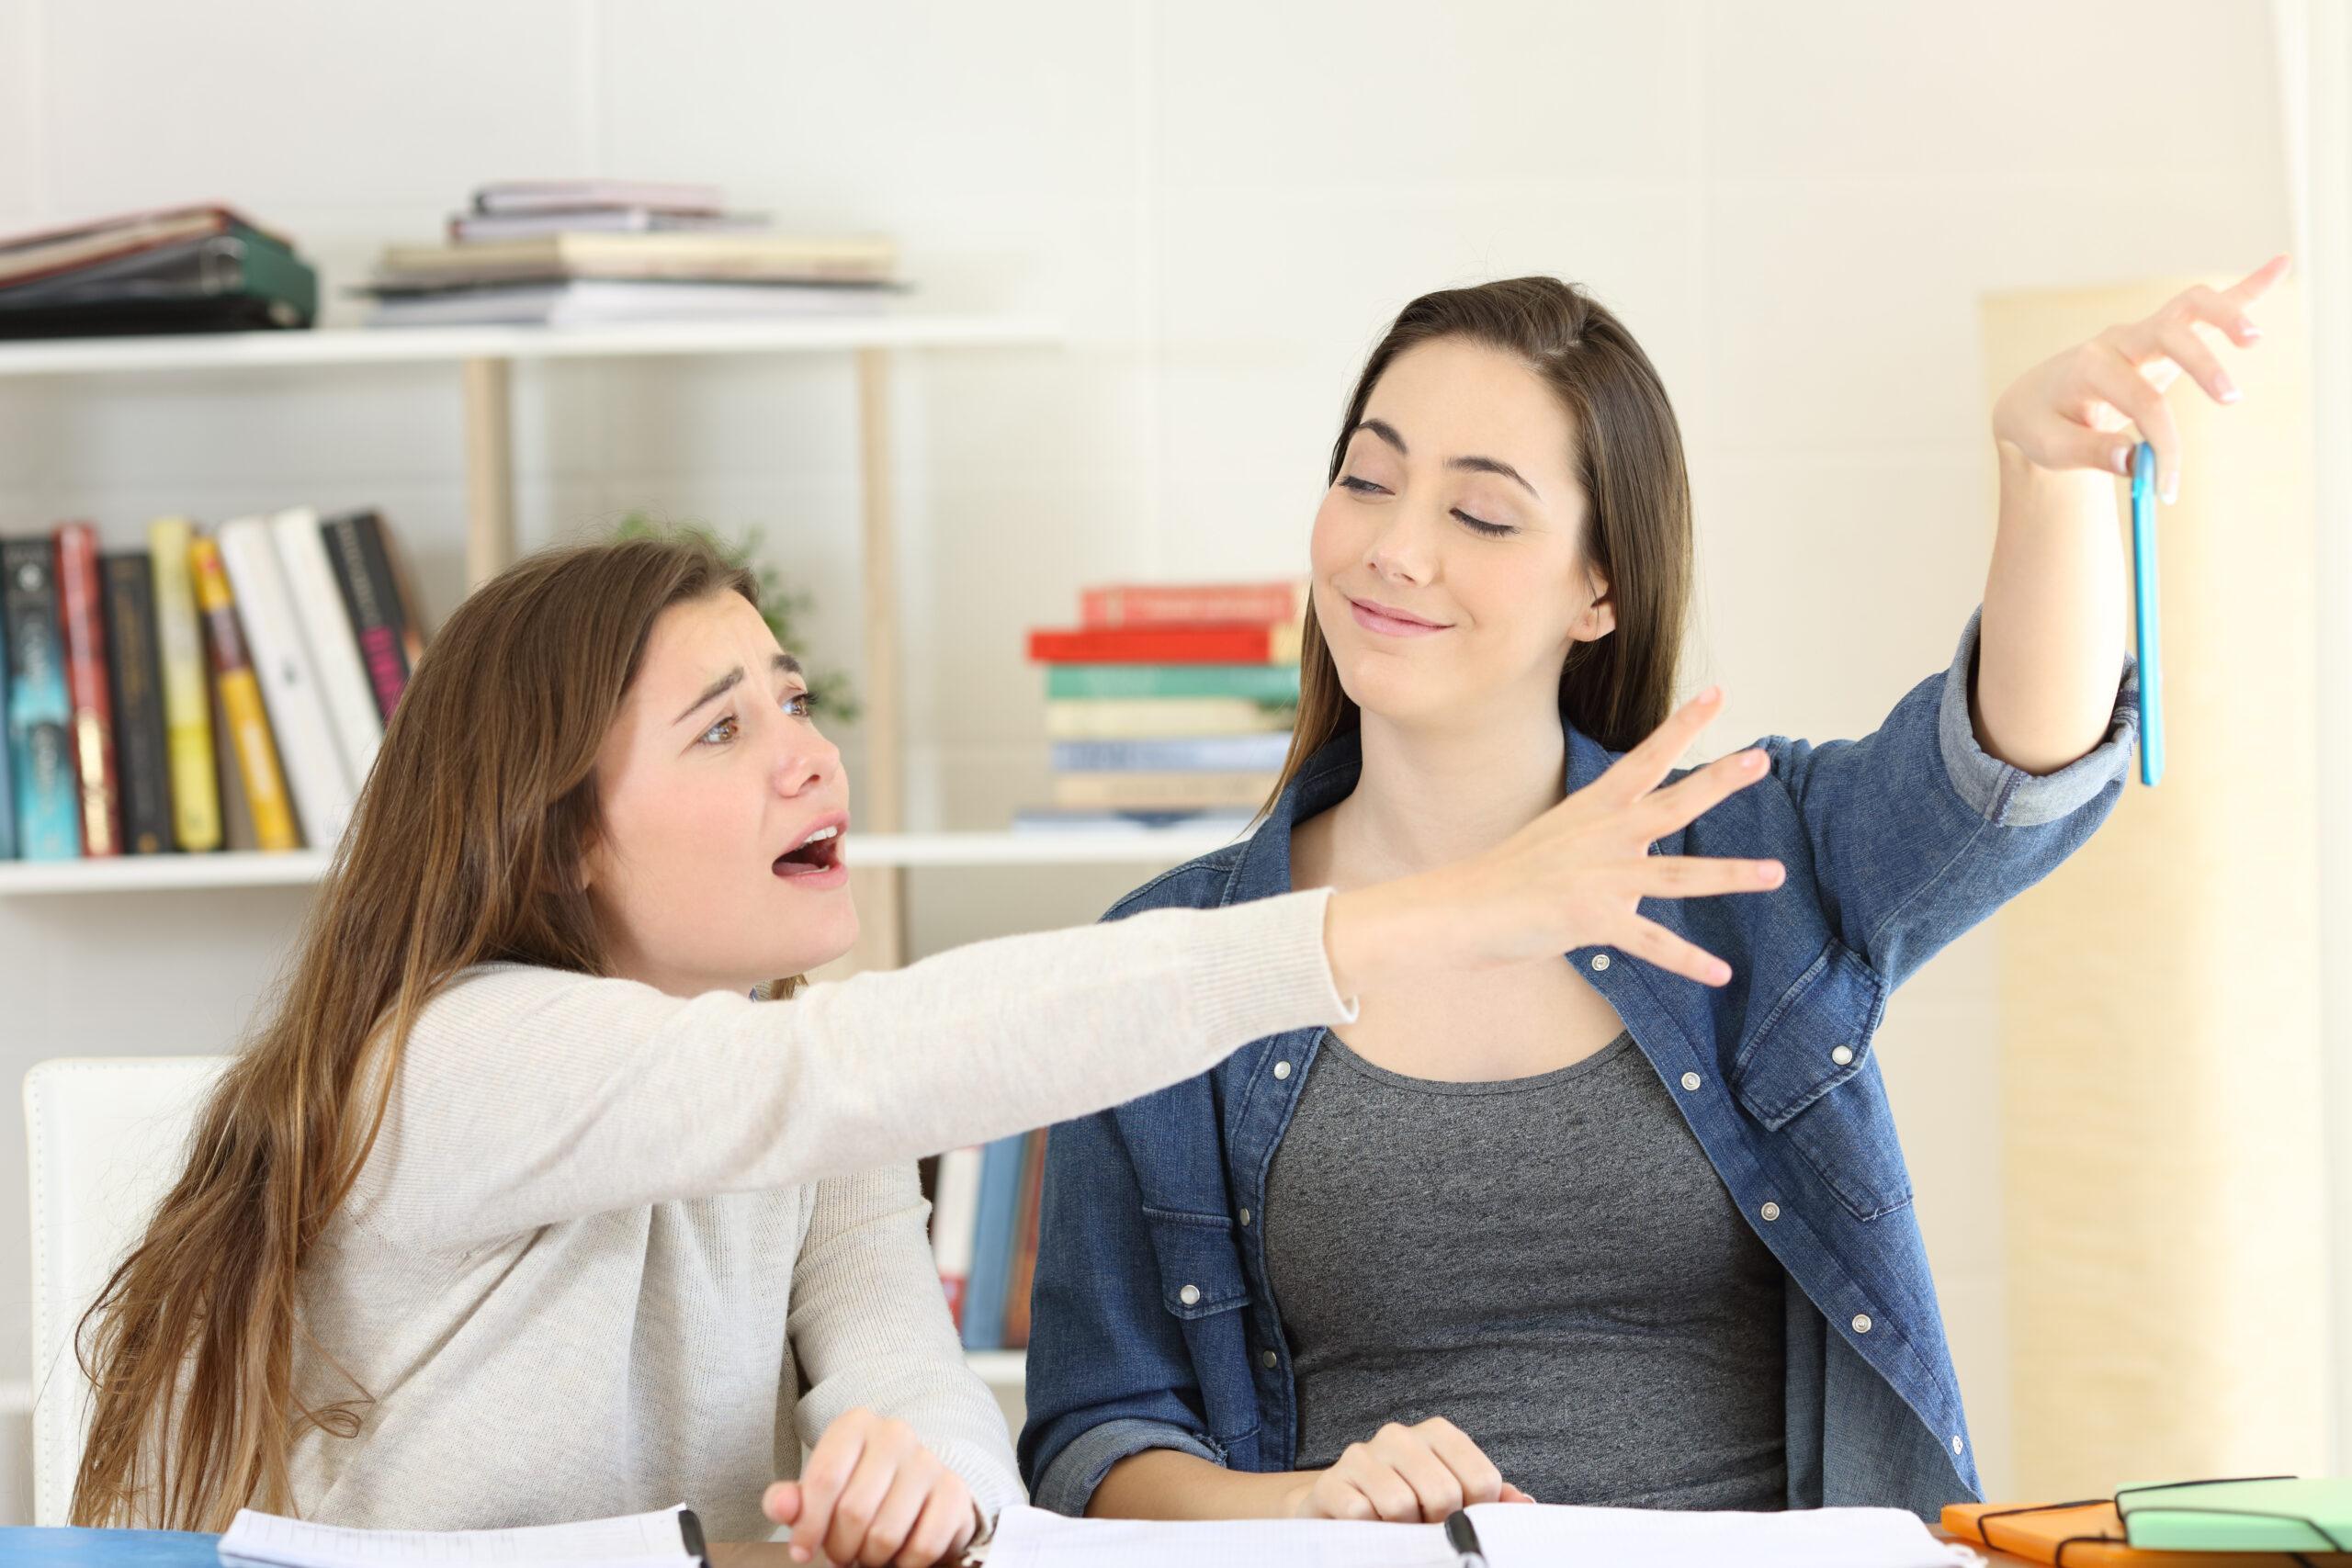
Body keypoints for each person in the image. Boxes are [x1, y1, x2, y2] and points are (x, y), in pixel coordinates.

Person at [67, 529, 1787, 1566]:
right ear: (557, 836)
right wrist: (1409, 923)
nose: (807, 757)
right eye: (723, 727)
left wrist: (926, 1481)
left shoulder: (790, 1083)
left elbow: (920, 1385)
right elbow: (845, 1074)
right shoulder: (442, 1061)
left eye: (794, 699)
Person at [1021, 261, 2285, 1525]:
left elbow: (2008, 769)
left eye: (1484, 515)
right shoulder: (1171, 961)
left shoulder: (1748, 858)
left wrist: (2049, 479)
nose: (1395, 550)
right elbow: (1095, 1440)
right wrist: (1305, 1507)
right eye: (1367, 479)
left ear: (1601, 590)